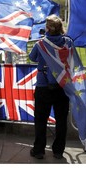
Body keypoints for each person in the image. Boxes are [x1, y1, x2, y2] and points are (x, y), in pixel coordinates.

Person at [29, 15, 70, 159]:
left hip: (43, 86)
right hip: (62, 86)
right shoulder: (67, 43)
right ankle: (58, 150)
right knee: (61, 120)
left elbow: (32, 58)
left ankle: (39, 150)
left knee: (40, 120)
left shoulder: (40, 44)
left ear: (47, 28)